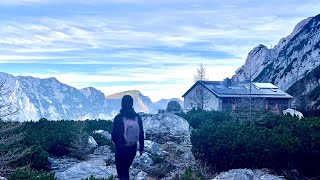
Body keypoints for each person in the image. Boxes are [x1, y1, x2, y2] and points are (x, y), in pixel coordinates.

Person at [111, 95, 144, 180]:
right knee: (126, 169)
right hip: (133, 148)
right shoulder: (137, 117)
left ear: (122, 104)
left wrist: (117, 144)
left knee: (121, 172)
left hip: (121, 149)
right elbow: (141, 133)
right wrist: (141, 149)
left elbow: (114, 135)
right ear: (132, 104)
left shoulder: (118, 118)